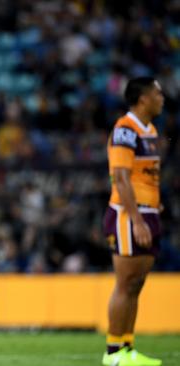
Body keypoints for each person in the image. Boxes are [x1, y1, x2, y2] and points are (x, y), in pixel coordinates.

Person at [102, 77, 164, 366]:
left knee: (137, 284)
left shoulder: (149, 130)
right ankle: (113, 353)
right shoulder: (125, 130)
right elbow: (122, 177)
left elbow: (144, 174)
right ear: (142, 98)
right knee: (125, 283)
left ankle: (127, 348)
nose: (162, 98)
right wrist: (137, 220)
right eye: (157, 93)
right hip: (129, 214)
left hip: (147, 211)